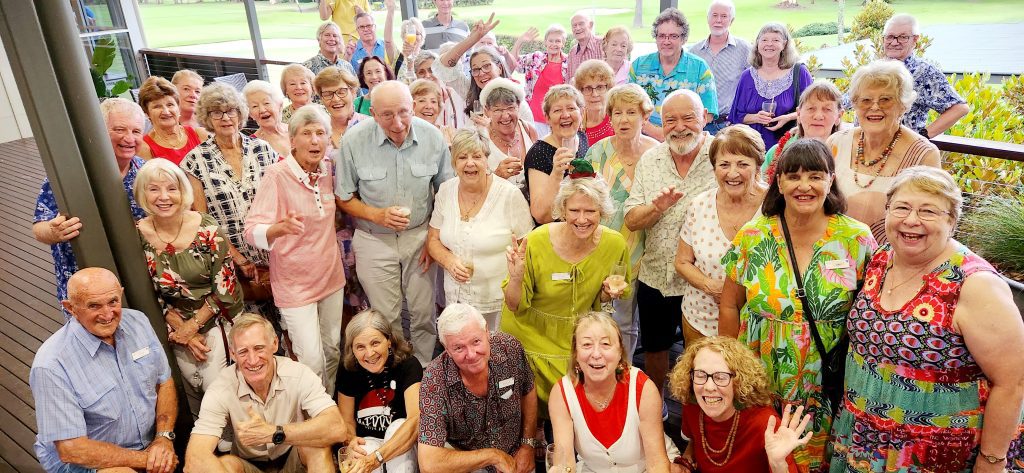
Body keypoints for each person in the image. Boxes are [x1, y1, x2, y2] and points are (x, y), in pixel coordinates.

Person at [828, 166, 1024, 472]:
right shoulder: (881, 258)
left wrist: (992, 460)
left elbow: (1012, 382)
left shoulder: (974, 284)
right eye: (902, 208)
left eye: (928, 211)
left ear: (952, 221)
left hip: (934, 454)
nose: (911, 220)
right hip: (864, 440)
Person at [719, 139, 877, 471]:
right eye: (794, 176)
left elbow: (869, 313)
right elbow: (730, 304)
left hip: (825, 381)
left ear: (831, 180)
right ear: (779, 183)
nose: (804, 186)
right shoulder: (753, 236)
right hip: (760, 374)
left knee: (813, 458)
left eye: (815, 176)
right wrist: (730, 369)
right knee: (759, 453)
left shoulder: (856, 239)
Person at [335, 81, 454, 365]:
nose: (398, 123)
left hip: (420, 237)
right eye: (387, 115)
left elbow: (447, 194)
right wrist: (377, 215)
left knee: (424, 312)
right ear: (372, 113)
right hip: (373, 239)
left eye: (403, 112)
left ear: (412, 106)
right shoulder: (353, 141)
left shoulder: (433, 137)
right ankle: (398, 370)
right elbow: (343, 197)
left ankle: (424, 369)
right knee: (386, 316)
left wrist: (434, 240)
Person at [502, 177, 631, 418]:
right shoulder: (536, 241)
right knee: (532, 415)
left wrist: (607, 294)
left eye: (590, 211)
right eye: (574, 210)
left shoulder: (615, 244)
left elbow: (605, 296)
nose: (582, 219)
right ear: (562, 210)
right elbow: (513, 305)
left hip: (578, 338)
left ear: (602, 212)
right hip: (530, 337)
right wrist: (516, 277)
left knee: (576, 411)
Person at [31, 268, 178, 473]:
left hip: (148, 447)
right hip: (84, 463)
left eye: (113, 302)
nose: (107, 314)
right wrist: (147, 460)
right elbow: (72, 449)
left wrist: (163, 438)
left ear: (121, 294)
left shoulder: (139, 322)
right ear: (71, 308)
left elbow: (165, 383)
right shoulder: (51, 365)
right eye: (94, 306)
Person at [244, 106, 347, 393]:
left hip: (330, 276)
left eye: (320, 133)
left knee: (333, 349)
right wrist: (279, 228)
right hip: (295, 284)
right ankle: (315, 410)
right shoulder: (277, 175)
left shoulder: (328, 170)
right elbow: (250, 230)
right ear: (292, 140)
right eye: (306, 133)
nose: (314, 140)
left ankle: (330, 404)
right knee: (310, 359)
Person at [623, 90, 717, 400]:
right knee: (655, 349)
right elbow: (632, 220)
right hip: (657, 275)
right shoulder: (651, 159)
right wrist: (657, 207)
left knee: (704, 354)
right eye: (670, 120)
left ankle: (700, 407)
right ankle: (656, 405)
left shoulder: (721, 154)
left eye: (688, 118)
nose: (679, 127)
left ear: (705, 118)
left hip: (704, 280)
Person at [134, 158, 242, 419]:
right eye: (154, 189)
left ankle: (232, 440)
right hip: (171, 323)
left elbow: (226, 289)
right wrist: (180, 330)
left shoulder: (207, 228)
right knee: (187, 393)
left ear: (183, 191)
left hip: (216, 317)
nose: (163, 197)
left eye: (171, 188)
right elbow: (144, 291)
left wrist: (192, 327)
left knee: (216, 391)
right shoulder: (136, 234)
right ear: (142, 194)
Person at [184, 314, 346, 473]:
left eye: (259, 348)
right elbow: (195, 460)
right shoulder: (221, 388)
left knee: (317, 449)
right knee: (227, 464)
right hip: (249, 464)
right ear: (233, 354)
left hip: (292, 455)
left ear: (274, 344)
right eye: (243, 352)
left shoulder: (298, 374)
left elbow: (337, 427)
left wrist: (275, 432)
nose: (253, 360)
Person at [32, 98, 147, 315]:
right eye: (119, 129)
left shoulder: (147, 173)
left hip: (139, 281)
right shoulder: (69, 175)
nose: (129, 138)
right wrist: (54, 232)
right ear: (99, 131)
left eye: (136, 131)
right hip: (85, 286)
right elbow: (39, 228)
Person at [180, 83, 280, 316]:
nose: (225, 118)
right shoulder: (195, 161)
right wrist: (238, 258)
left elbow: (282, 201)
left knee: (288, 322)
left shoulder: (263, 150)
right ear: (207, 117)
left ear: (240, 113)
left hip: (274, 253)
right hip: (232, 262)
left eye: (231, 111)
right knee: (250, 324)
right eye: (217, 112)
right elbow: (203, 220)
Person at [427, 130, 534, 330]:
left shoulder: (509, 195)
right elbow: (433, 239)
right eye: (462, 157)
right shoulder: (446, 191)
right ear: (453, 162)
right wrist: (448, 261)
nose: (470, 163)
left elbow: (528, 247)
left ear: (487, 160)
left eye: (477, 156)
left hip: (497, 304)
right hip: (456, 301)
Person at [829, 59, 941, 245]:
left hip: (893, 254)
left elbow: (930, 217)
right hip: (833, 251)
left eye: (885, 100)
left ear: (903, 106)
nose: (874, 107)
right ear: (855, 104)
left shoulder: (924, 155)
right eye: (866, 100)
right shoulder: (836, 143)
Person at [417, 304, 539, 473]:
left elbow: (528, 390)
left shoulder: (509, 348)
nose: (472, 354)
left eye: (476, 342)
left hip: (516, 456)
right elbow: (429, 462)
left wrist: (528, 445)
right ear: (447, 350)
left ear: (487, 331)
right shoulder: (434, 380)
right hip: (466, 463)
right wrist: (493, 456)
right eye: (459, 348)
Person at [584, 83, 658, 357]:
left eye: (631, 112)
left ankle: (623, 371)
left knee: (627, 322)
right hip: (601, 247)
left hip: (644, 247)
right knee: (598, 316)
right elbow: (585, 197)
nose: (623, 119)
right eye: (617, 113)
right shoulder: (596, 152)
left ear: (644, 116)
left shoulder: (657, 153)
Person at [674, 125, 766, 345]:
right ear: (714, 168)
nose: (732, 173)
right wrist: (711, 286)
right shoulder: (699, 205)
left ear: (757, 166)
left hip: (759, 327)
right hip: (700, 321)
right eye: (724, 164)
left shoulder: (775, 206)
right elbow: (682, 262)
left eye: (742, 164)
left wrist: (734, 295)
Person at [667, 336, 812, 473]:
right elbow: (694, 442)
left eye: (721, 377)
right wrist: (684, 462)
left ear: (738, 381)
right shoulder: (692, 406)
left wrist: (778, 464)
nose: (709, 387)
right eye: (700, 375)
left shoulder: (765, 423)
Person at [548, 312, 671, 473]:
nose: (596, 354)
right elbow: (565, 464)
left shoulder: (643, 388)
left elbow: (657, 464)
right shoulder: (561, 393)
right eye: (587, 345)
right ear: (575, 353)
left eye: (605, 344)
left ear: (620, 352)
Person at [336, 309, 423, 473]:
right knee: (363, 449)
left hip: (403, 443)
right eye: (360, 347)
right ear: (351, 349)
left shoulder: (409, 365)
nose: (369, 353)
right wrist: (351, 441)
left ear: (389, 341)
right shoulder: (347, 370)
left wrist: (377, 458)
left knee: (398, 426)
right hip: (368, 441)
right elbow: (346, 421)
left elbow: (415, 420)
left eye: (375, 343)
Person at [629, 8, 718, 141]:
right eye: (661, 36)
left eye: (673, 36)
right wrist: (655, 132)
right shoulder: (638, 66)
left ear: (684, 39)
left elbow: (708, 113)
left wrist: (675, 132)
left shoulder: (699, 68)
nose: (666, 41)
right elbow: (628, 107)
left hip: (685, 138)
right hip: (644, 138)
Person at [882, 14, 969, 138]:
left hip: (903, 146)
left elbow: (960, 108)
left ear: (915, 40)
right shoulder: (876, 68)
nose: (894, 42)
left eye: (903, 37)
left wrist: (923, 136)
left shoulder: (924, 71)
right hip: (868, 145)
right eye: (890, 37)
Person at [729, 22, 812, 149]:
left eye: (775, 40)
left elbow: (812, 108)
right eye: (764, 40)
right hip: (752, 149)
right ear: (757, 44)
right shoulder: (747, 76)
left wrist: (788, 117)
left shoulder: (799, 72)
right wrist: (756, 118)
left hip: (789, 148)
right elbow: (736, 116)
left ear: (784, 44)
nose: (769, 44)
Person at [435, 16, 533, 124]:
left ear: (499, 68)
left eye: (487, 66)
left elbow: (528, 132)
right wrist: (471, 40)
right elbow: (444, 67)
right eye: (475, 69)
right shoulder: (470, 92)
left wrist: (490, 127)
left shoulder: (516, 100)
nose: (481, 73)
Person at [524, 84, 590, 224]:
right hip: (554, 229)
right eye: (557, 110)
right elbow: (540, 216)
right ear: (547, 118)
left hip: (583, 222)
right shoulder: (538, 153)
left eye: (571, 108)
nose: (565, 115)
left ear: (582, 113)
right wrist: (556, 173)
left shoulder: (582, 138)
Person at [763, 80, 844, 182]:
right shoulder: (776, 153)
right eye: (811, 108)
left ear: (839, 116)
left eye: (827, 109)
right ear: (798, 113)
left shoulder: (848, 153)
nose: (818, 116)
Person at [691, 0, 751, 135]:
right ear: (707, 18)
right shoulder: (694, 51)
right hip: (698, 125)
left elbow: (755, 83)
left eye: (724, 16)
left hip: (728, 125)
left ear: (732, 20)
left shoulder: (744, 49)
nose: (718, 20)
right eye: (714, 15)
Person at [476, 77, 536, 191]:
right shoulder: (480, 139)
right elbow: (471, 186)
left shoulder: (528, 130)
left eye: (510, 108)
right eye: (497, 110)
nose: (505, 116)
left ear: (518, 106)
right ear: (486, 111)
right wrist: (497, 175)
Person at [138, 75, 208, 165]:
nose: (166, 112)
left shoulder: (200, 135)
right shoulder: (144, 147)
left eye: (170, 105)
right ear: (147, 113)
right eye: (157, 106)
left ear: (178, 107)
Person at [512, 24, 569, 130]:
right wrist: (520, 41)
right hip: (533, 119)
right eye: (550, 41)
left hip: (559, 120)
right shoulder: (536, 58)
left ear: (563, 43)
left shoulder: (569, 63)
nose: (554, 44)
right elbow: (514, 63)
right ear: (545, 42)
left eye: (558, 41)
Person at [413, 51, 467, 129]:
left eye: (431, 70)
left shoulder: (457, 95)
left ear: (439, 72)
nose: (427, 76)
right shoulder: (413, 100)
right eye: (421, 72)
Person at [243, 79, 291, 157]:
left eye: (266, 103)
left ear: (280, 105)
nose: (262, 110)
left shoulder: (296, 129)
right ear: (250, 114)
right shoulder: (252, 146)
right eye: (255, 106)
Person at [575, 59, 616, 146]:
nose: (594, 94)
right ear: (580, 91)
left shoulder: (617, 119)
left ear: (609, 88)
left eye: (600, 87)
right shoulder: (575, 123)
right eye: (588, 88)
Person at [349, 4, 397, 73]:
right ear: (357, 30)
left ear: (375, 27)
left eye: (369, 25)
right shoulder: (352, 51)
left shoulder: (386, 46)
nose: (366, 29)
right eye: (362, 27)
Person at [566, 12, 604, 80]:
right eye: (574, 25)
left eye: (581, 24)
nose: (577, 28)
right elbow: (569, 80)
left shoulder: (603, 45)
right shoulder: (572, 52)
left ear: (590, 25)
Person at [395, 18, 427, 83]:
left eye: (417, 33)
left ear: (422, 37)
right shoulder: (398, 59)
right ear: (403, 36)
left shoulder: (427, 57)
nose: (413, 36)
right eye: (409, 32)